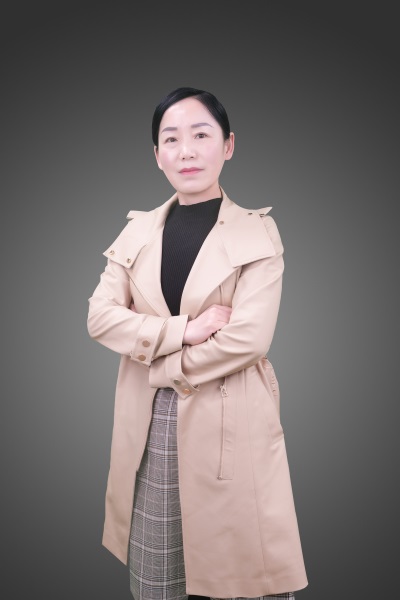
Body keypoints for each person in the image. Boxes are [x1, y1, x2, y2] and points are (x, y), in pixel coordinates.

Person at [87, 87, 308, 600]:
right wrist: (182, 330)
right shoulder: (136, 232)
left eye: (201, 135)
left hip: (230, 415)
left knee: (239, 567)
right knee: (159, 570)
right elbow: (99, 317)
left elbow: (248, 339)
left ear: (228, 145)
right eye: (171, 139)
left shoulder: (258, 232)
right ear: (157, 154)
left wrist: (161, 364)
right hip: (149, 420)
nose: (186, 150)